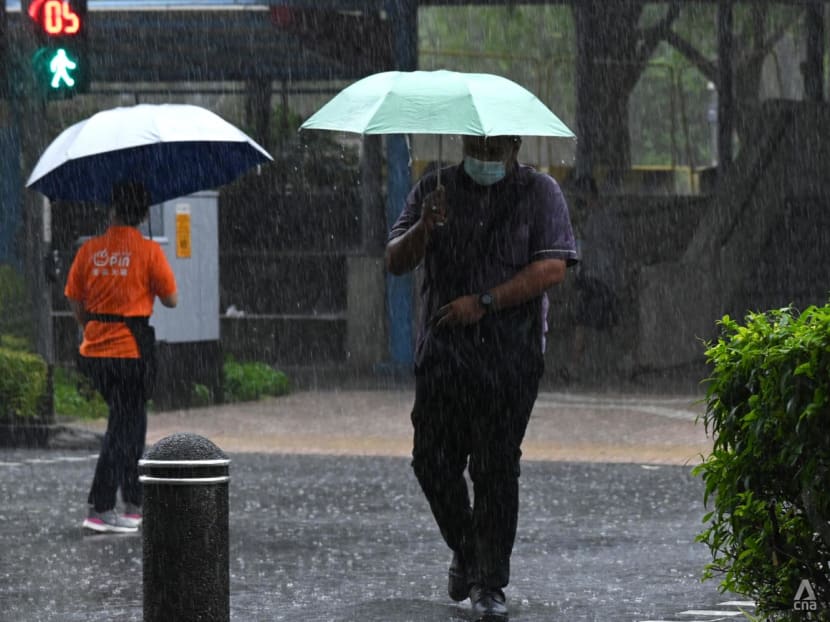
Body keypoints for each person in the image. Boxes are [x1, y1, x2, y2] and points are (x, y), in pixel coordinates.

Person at [385, 135, 578, 620]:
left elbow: (552, 267)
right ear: (464, 143)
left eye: (496, 150)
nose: (486, 159)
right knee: (431, 460)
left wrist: (485, 302)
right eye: (478, 147)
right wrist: (425, 227)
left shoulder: (541, 193)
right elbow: (395, 260)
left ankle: (489, 583)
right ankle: (470, 552)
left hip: (510, 354)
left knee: (495, 467)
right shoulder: (435, 188)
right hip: (444, 352)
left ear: (514, 146)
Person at [65, 181, 178, 534]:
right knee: (123, 427)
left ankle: (133, 501)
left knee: (131, 422)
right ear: (143, 216)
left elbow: (74, 298)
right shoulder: (147, 252)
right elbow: (172, 299)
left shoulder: (90, 251)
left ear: (111, 209)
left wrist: (92, 324)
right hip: (131, 349)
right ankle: (100, 507)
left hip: (95, 350)